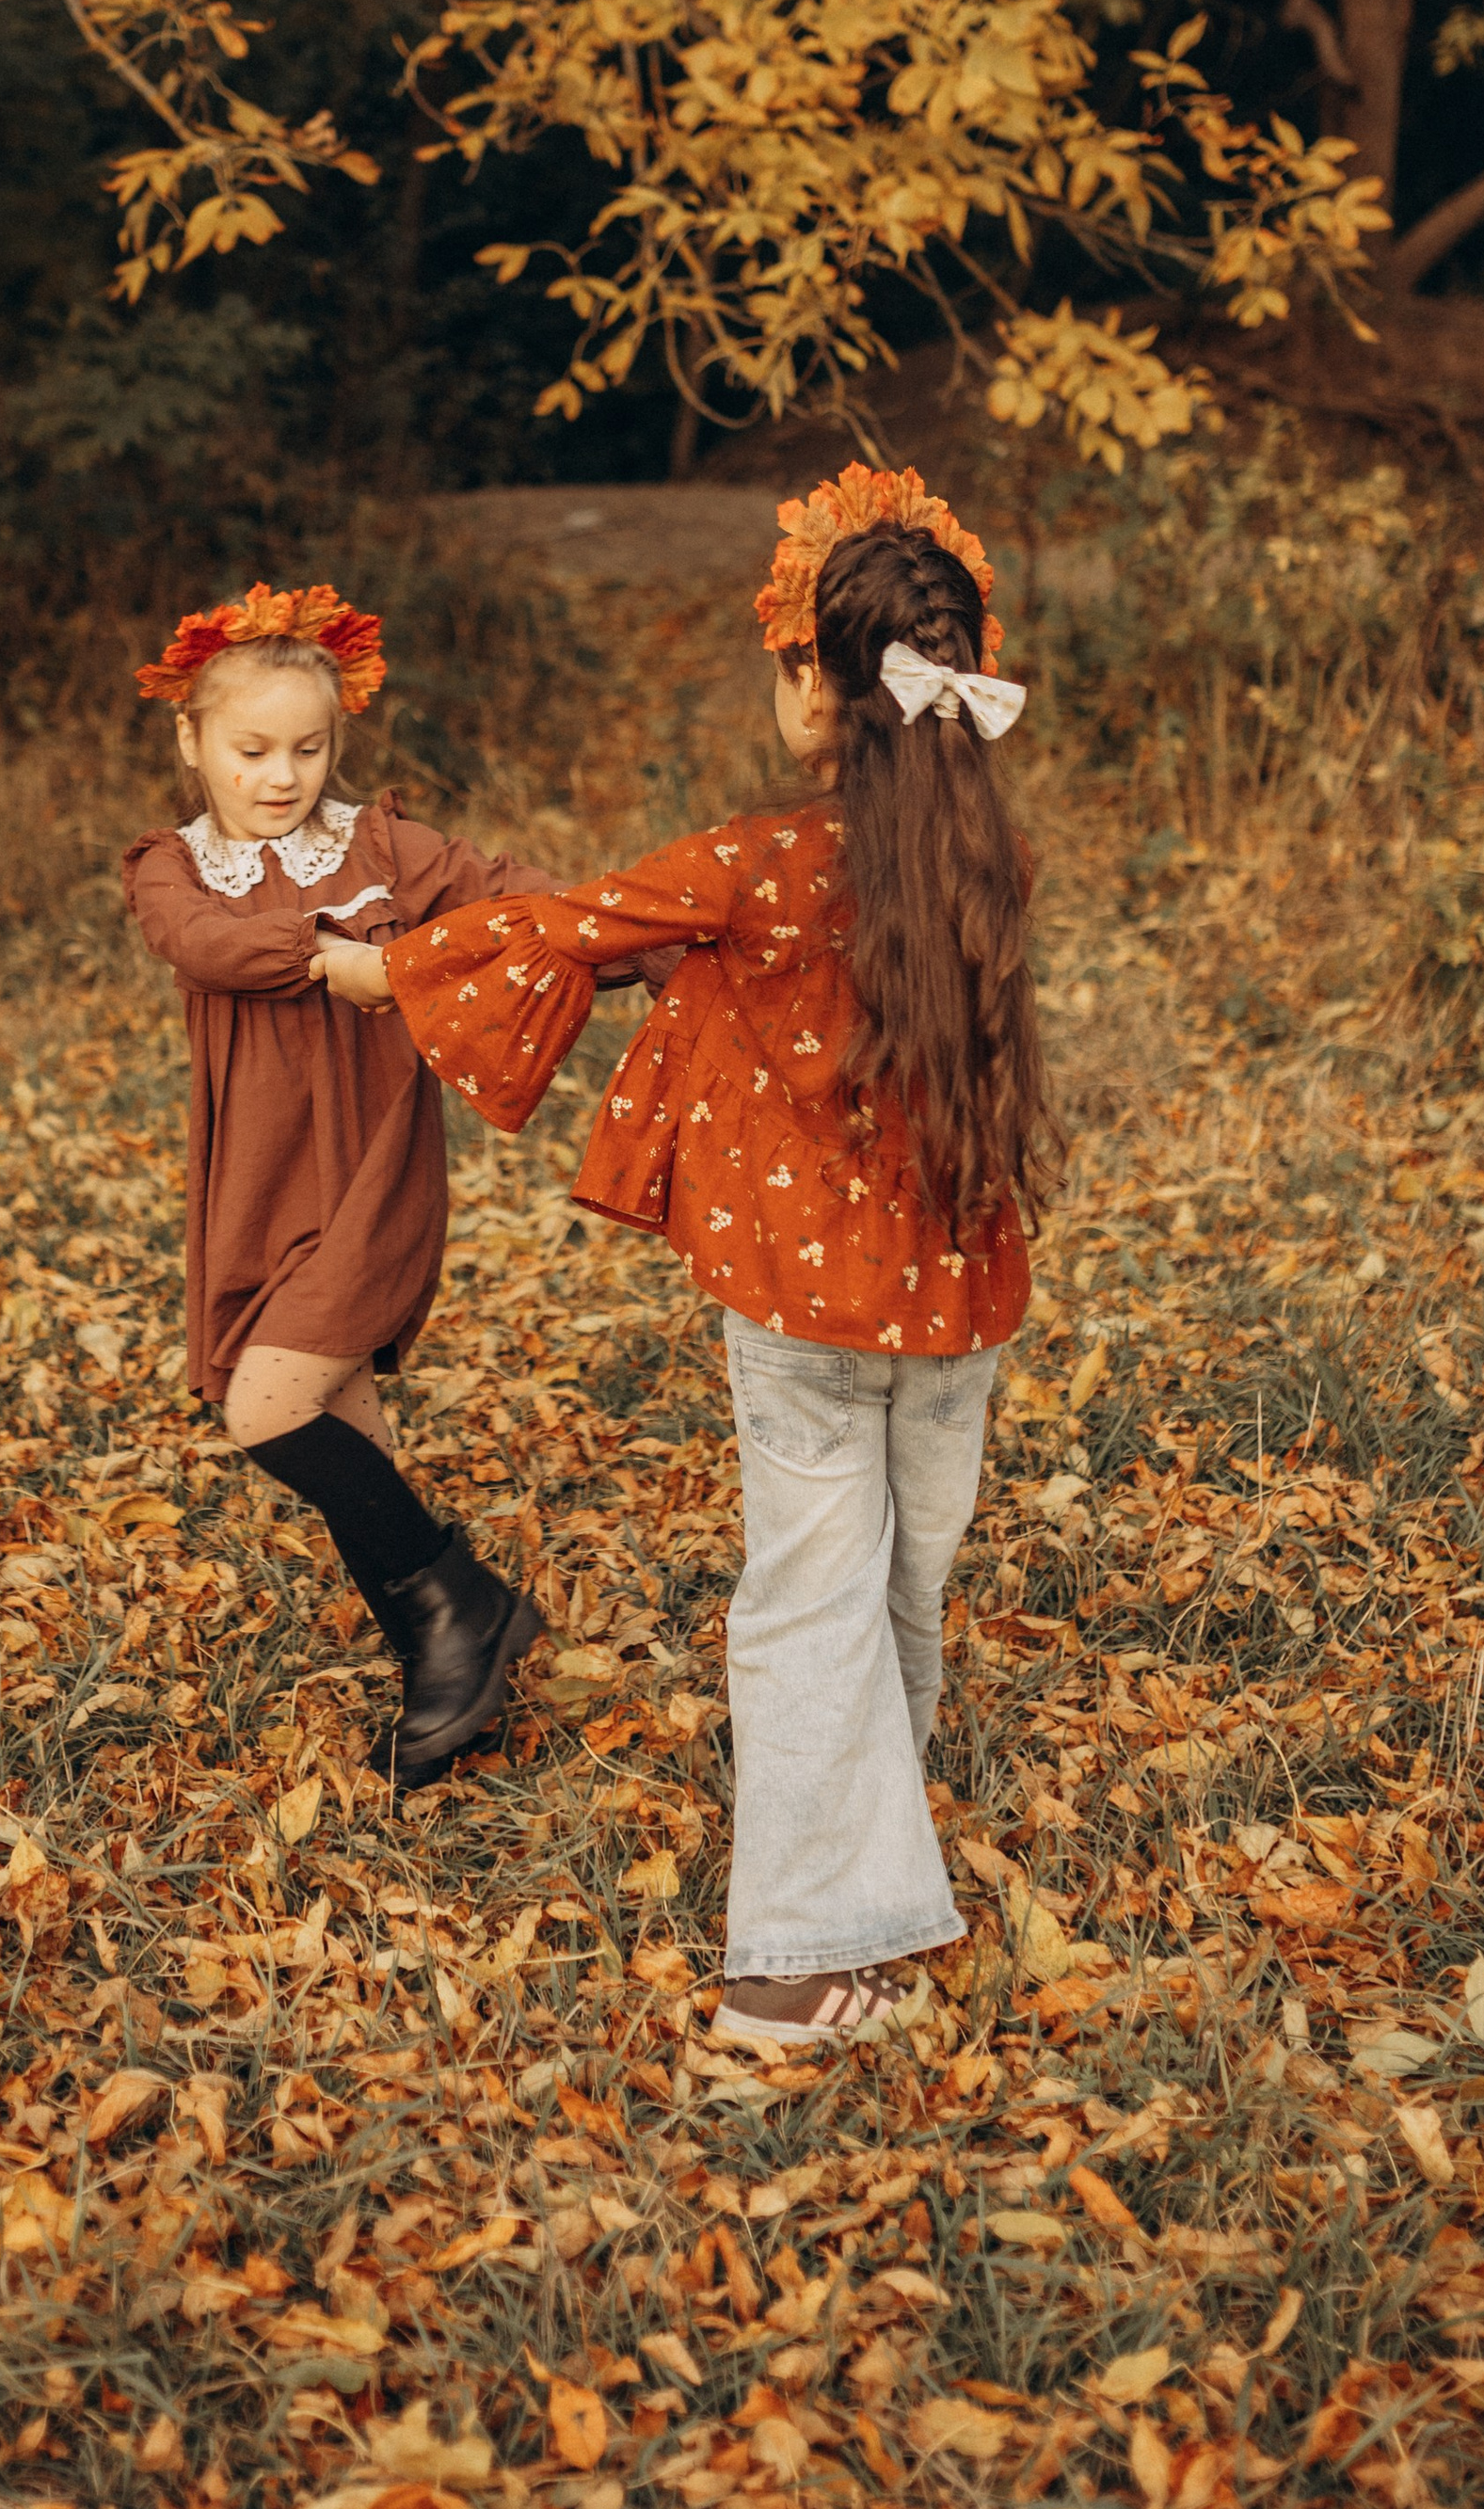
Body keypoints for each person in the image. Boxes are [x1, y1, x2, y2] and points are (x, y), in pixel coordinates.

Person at [316, 471, 1054, 2049]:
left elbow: (569, 925)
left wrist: (385, 969)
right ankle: (858, 1899)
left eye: (786, 660)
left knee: (811, 1600)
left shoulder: (751, 866)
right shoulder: (991, 855)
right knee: (901, 1591)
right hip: (955, 1294)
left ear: (817, 690)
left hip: (801, 1297)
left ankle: (789, 1967)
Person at [123, 580, 555, 1791]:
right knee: (346, 1426)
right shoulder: (171, 867)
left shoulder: (380, 851)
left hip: (371, 1168)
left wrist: (644, 934)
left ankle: (465, 1611)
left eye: (307, 750)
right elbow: (203, 946)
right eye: (251, 749)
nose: (281, 776)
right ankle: (451, 1668)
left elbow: (515, 898)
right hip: (258, 1183)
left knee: (268, 1410)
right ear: (191, 741)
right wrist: (336, 956)